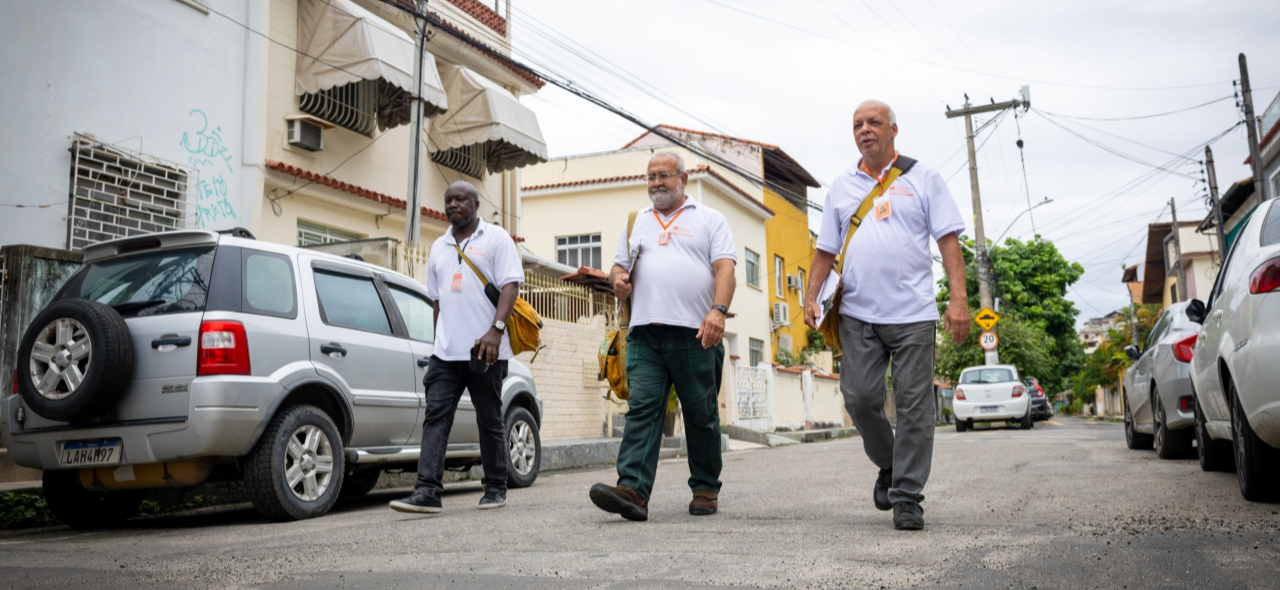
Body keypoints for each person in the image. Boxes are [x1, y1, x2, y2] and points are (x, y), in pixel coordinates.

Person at [804, 100, 970, 531]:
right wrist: (810, 297)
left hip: (914, 313)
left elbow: (949, 242)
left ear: (894, 129)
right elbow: (824, 250)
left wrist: (959, 301)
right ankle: (889, 463)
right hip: (857, 312)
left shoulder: (923, 178)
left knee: (915, 405)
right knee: (859, 397)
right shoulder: (840, 186)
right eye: (857, 124)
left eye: (874, 122)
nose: (865, 130)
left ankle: (908, 496)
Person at [588, 152, 737, 521]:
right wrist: (617, 280)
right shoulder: (636, 220)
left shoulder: (709, 219)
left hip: (696, 333)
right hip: (645, 334)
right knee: (643, 410)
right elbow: (619, 267)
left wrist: (717, 311)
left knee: (701, 414)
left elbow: (725, 268)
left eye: (664, 175)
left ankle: (705, 488)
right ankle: (633, 491)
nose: (656, 182)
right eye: (651, 176)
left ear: (682, 179)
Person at [390, 181, 523, 515]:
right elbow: (438, 301)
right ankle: (427, 492)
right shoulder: (438, 247)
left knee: (489, 418)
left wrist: (496, 331)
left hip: (486, 349)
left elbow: (510, 286)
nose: (453, 204)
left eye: (460, 199)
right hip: (446, 354)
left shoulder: (496, 238)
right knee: (436, 417)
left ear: (476, 204)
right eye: (448, 200)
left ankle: (495, 487)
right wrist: (437, 341)